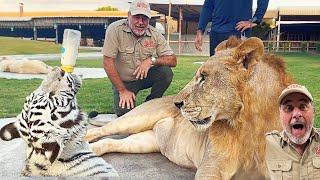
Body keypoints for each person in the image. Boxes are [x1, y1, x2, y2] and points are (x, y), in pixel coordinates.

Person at [101, 0, 177, 117]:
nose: (140, 22)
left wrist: (151, 60)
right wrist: (122, 91)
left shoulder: (155, 34)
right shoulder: (115, 29)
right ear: (129, 15)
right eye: (137, 17)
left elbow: (173, 60)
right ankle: (126, 96)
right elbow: (107, 62)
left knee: (165, 72)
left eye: (144, 18)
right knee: (124, 115)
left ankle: (151, 103)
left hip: (144, 78)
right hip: (124, 82)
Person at [265, 84, 320, 179]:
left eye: (303, 106)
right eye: (288, 108)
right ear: (279, 114)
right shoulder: (264, 145)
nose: (297, 114)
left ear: (313, 111)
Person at [195, 0, 269, 56]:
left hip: (238, 31)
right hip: (216, 33)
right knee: (214, 71)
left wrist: (256, 19)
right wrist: (200, 30)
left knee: (238, 73)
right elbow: (208, 6)